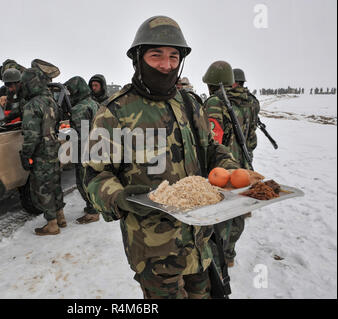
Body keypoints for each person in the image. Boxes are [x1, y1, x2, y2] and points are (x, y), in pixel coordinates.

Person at [83, 16, 243, 299]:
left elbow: (210, 150)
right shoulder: (114, 112)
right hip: (154, 249)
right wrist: (119, 198)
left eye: (173, 57)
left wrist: (229, 167)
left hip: (200, 239)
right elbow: (95, 176)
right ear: (138, 58)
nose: (166, 65)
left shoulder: (189, 104)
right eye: (156, 56)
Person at [203, 63, 259, 267]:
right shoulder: (251, 102)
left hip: (222, 168)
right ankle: (229, 254)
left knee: (220, 212)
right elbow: (252, 137)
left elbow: (212, 140)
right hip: (243, 164)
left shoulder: (215, 103)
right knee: (238, 210)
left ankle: (217, 256)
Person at [19, 67, 65, 236]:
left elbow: (31, 135)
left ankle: (52, 224)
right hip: (54, 148)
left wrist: (26, 155)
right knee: (55, 184)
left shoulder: (32, 105)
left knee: (42, 187)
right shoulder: (51, 101)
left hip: (41, 152)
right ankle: (60, 217)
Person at [64, 76, 99, 224]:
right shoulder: (93, 103)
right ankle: (95, 206)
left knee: (83, 181)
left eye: (71, 91)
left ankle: (93, 212)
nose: (70, 95)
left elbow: (79, 134)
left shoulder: (79, 108)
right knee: (94, 178)